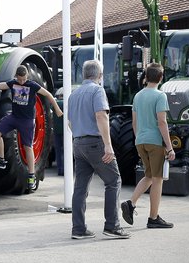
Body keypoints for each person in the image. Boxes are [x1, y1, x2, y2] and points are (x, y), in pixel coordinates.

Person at [0, 65, 63, 192]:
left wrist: (57, 109)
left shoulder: (32, 85)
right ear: (16, 76)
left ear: (27, 76)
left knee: (28, 147)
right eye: (19, 80)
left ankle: (31, 177)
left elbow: (48, 94)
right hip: (14, 117)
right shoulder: (13, 83)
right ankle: (1, 160)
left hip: (26, 121)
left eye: (24, 79)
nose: (21, 82)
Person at [68, 60, 130, 239]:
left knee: (80, 187)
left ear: (83, 74)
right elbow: (101, 116)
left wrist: (80, 137)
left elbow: (70, 122)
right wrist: (108, 145)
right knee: (113, 181)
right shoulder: (97, 90)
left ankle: (78, 229)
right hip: (96, 143)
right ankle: (112, 226)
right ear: (100, 76)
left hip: (78, 143)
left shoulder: (74, 94)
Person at [121, 63, 175, 228]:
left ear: (146, 77)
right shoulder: (160, 96)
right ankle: (153, 218)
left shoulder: (137, 96)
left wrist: (140, 140)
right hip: (155, 142)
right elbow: (162, 122)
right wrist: (169, 147)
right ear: (160, 77)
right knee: (158, 179)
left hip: (141, 141)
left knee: (149, 176)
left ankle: (131, 203)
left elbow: (135, 123)